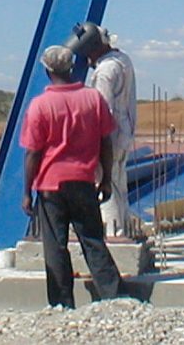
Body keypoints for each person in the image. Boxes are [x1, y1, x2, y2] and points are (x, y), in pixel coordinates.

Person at [20, 45, 123, 309]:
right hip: (84, 180)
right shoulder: (92, 99)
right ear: (70, 67)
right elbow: (106, 142)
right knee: (92, 240)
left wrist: (27, 191)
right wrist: (107, 178)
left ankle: (61, 303)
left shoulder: (40, 105)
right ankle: (113, 297)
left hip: (50, 185)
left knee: (55, 246)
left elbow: (33, 153)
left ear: (47, 70)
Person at [70, 22, 137, 237]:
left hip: (111, 135)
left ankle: (113, 234)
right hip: (125, 130)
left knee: (106, 185)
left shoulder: (105, 73)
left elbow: (101, 111)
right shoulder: (122, 60)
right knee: (119, 184)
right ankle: (123, 230)